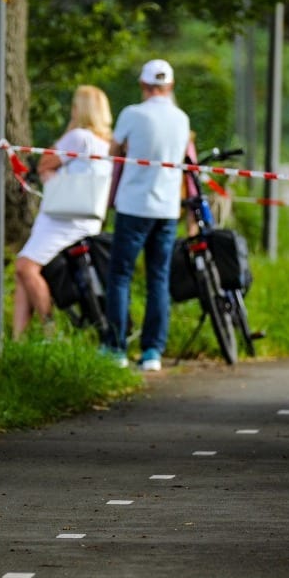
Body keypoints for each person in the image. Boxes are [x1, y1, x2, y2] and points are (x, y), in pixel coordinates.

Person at [104, 59, 191, 372]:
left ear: (143, 85)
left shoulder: (132, 113)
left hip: (133, 205)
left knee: (120, 275)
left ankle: (115, 347)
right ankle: (153, 351)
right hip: (167, 209)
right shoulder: (181, 119)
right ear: (170, 86)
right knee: (158, 278)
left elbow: (113, 151)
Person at [12, 86, 114, 338]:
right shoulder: (106, 145)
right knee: (24, 272)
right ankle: (16, 338)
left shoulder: (78, 137)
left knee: (25, 267)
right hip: (89, 220)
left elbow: (45, 163)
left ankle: (49, 330)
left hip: (61, 218)